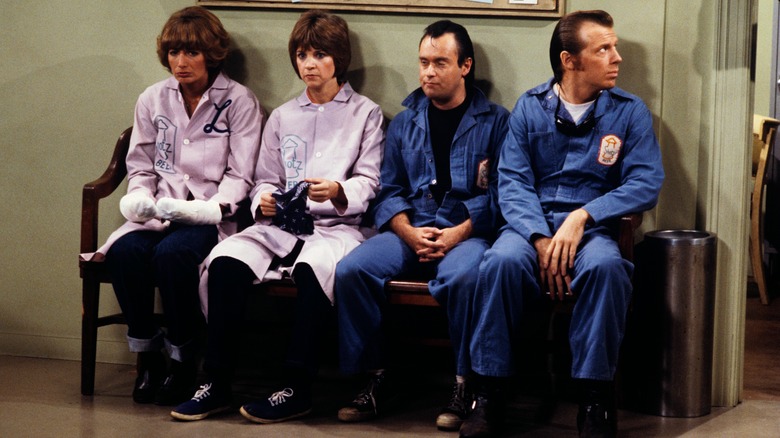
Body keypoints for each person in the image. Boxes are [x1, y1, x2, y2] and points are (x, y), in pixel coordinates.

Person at [170, 10, 384, 423]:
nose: (309, 64)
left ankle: (296, 386)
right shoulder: (284, 115)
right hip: (280, 226)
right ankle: (216, 381)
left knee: (314, 271)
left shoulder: (365, 114)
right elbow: (265, 178)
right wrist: (264, 200)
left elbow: (370, 180)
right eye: (302, 54)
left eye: (320, 54)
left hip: (336, 229)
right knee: (225, 263)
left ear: (338, 58)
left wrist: (340, 191)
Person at [471, 10, 664, 438]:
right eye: (603, 49)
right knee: (499, 264)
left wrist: (583, 215)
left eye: (615, 47)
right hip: (530, 228)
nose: (617, 58)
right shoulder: (529, 107)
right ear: (569, 60)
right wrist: (540, 238)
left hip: (592, 229)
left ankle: (594, 401)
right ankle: (489, 394)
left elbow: (646, 182)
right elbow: (512, 182)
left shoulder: (629, 112)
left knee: (607, 269)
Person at [335, 19, 509, 433]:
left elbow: (503, 196)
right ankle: (376, 376)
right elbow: (388, 189)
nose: (429, 72)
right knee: (352, 270)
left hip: (467, 232)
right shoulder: (407, 120)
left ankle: (466, 383)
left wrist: (459, 233)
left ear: (465, 66)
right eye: (423, 62)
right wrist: (408, 231)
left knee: (467, 276)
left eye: (440, 63)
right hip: (411, 228)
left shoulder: (496, 122)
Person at [97, 6, 264, 406]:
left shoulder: (239, 101)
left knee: (173, 257)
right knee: (125, 254)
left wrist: (212, 209)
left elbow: (241, 175)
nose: (181, 62)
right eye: (174, 53)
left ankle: (183, 361)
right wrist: (139, 196)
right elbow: (139, 164)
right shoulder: (153, 98)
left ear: (212, 53)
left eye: (190, 53)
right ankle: (148, 358)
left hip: (208, 216)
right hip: (157, 213)